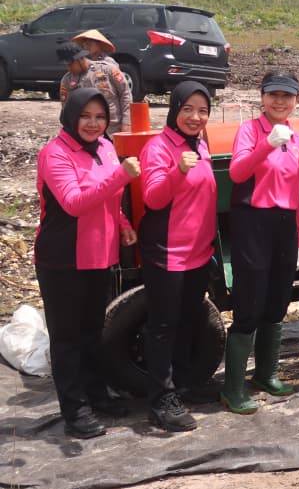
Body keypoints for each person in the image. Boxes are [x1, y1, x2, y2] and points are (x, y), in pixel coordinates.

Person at [35, 88, 139, 438]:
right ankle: (74, 410)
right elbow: (74, 202)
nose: (93, 124)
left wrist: (122, 225)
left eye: (100, 117)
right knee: (67, 339)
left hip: (100, 255)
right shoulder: (55, 154)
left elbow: (111, 198)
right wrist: (121, 175)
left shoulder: (106, 148)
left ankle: (97, 394)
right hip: (62, 258)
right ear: (70, 116)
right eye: (86, 116)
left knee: (93, 332)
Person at [221, 71, 299, 414]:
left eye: (287, 96)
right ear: (262, 97)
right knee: (249, 304)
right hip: (253, 221)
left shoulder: (295, 137)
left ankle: (267, 375)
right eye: (274, 95)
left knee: (277, 301)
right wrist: (266, 144)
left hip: (285, 224)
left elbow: (297, 190)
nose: (280, 102)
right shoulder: (249, 131)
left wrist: (298, 238)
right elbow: (238, 173)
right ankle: (233, 388)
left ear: (296, 100)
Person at [137, 81, 216, 432]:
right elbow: (153, 198)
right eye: (188, 109)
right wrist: (178, 170)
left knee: (188, 319)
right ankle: (161, 399)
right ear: (174, 109)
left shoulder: (201, 143)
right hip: (168, 252)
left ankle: (183, 384)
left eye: (202, 111)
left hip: (198, 252)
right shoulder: (158, 148)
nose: (195, 117)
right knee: (163, 326)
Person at [58, 42, 130, 133]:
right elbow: (66, 107)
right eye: (66, 65)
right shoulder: (67, 80)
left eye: (70, 64)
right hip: (88, 131)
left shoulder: (108, 70)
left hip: (114, 129)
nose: (68, 68)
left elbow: (125, 94)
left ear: (80, 59)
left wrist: (127, 123)